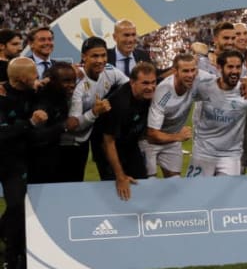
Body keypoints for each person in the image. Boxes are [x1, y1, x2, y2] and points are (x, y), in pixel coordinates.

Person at [187, 50, 247, 177]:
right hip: (204, 152)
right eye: (230, 67)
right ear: (220, 68)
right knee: (197, 193)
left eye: (238, 67)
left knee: (226, 195)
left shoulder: (245, 91)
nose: (235, 71)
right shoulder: (206, 87)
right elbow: (185, 96)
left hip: (230, 156)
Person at [0, 57, 47, 269]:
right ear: (20, 78)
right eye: (33, 74)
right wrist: (30, 123)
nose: (37, 77)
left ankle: (12, 258)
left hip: (15, 163)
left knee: (17, 207)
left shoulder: (32, 92)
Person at [66, 37, 126, 181]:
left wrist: (114, 102)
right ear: (83, 57)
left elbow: (129, 87)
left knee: (108, 175)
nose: (100, 60)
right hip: (70, 142)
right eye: (95, 56)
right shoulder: (77, 79)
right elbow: (72, 125)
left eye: (103, 55)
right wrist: (94, 112)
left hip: (95, 134)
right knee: (71, 182)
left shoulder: (110, 71)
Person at [144, 53, 212, 178]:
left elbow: (222, 83)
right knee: (149, 182)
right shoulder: (164, 91)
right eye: (185, 71)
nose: (191, 75)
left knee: (175, 182)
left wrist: (245, 83)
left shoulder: (200, 78)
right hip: (150, 141)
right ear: (175, 71)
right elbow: (152, 134)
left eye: (193, 70)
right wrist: (178, 136)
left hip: (172, 140)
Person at [100, 62, 157, 200]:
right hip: (108, 148)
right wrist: (120, 176)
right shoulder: (119, 104)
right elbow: (108, 141)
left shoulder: (146, 94)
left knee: (140, 182)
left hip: (130, 145)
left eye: (153, 82)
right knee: (116, 189)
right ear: (132, 82)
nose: (150, 87)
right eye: (145, 83)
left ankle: (140, 218)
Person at [28, 62, 78, 183]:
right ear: (52, 81)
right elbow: (36, 137)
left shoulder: (60, 95)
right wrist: (63, 126)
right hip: (37, 162)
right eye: (66, 81)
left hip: (55, 156)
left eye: (73, 81)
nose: (72, 85)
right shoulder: (41, 101)